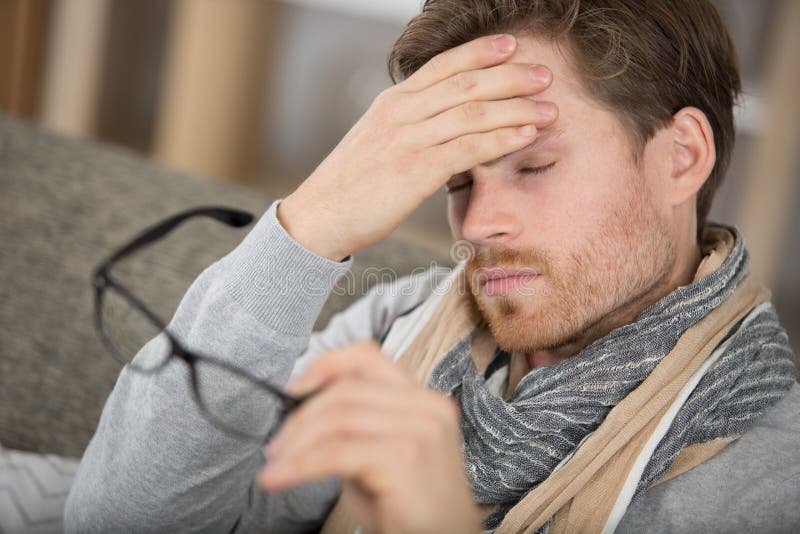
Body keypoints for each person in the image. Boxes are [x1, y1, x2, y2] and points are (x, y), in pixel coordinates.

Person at [65, 1, 799, 532]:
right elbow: (122, 517)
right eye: (458, 184)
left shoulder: (769, 482)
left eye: (535, 165)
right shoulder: (401, 325)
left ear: (681, 159)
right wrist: (307, 227)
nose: (477, 225)